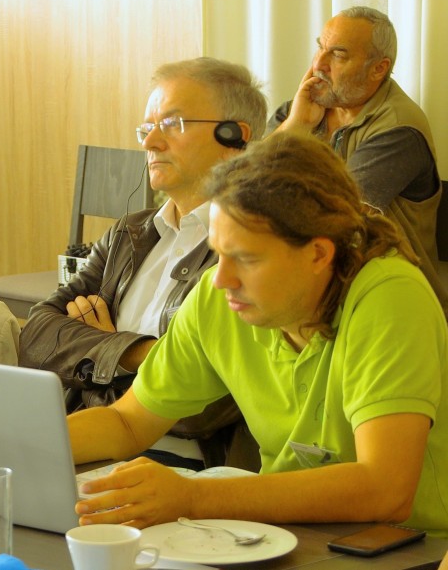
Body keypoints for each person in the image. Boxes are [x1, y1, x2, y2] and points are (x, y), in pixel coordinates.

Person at [71, 132, 448, 537]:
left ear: (318, 254)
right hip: (288, 537)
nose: (221, 279)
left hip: (411, 548)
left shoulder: (389, 296)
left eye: (247, 259)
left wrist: (193, 497)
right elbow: (127, 423)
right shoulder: (218, 297)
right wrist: (25, 440)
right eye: (219, 253)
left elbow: (386, 489)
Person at [19, 57, 267, 470]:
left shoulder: (253, 248)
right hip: (91, 442)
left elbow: (201, 410)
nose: (150, 142)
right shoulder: (130, 233)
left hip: (186, 467)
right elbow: (37, 337)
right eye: (147, 127)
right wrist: (132, 351)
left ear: (234, 136)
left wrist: (101, 354)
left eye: (172, 124)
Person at [267, 6, 447, 314]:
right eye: (320, 48)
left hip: (392, 300)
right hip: (316, 285)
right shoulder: (301, 108)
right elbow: (241, 186)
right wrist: (295, 126)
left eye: (338, 55)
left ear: (378, 68)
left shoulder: (399, 128)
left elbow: (338, 216)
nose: (318, 65)